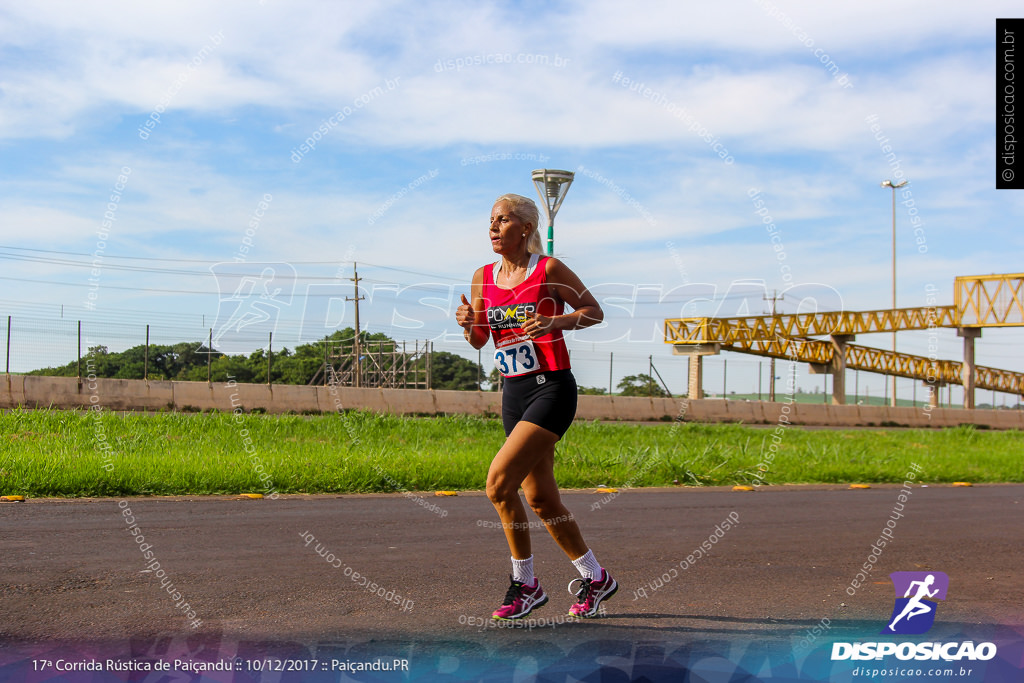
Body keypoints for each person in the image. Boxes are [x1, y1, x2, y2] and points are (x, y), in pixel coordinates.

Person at [455, 192, 617, 620]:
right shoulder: (482, 277)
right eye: (491, 220)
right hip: (514, 391)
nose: (493, 227)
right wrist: (468, 323)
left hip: (552, 388)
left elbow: (594, 311)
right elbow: (480, 340)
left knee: (498, 485)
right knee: (542, 499)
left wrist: (554, 321)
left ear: (525, 228)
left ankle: (526, 584)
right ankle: (595, 576)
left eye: (503, 220)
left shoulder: (548, 269)